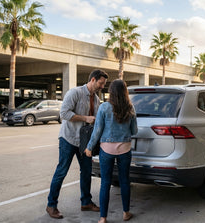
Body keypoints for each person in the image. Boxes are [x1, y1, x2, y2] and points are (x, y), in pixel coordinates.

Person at [46, 69, 109, 219]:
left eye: (103, 84)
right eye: (101, 83)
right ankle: (51, 205)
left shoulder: (97, 100)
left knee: (86, 172)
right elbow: (64, 114)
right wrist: (85, 118)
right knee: (61, 172)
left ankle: (86, 202)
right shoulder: (74, 93)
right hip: (68, 139)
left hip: (85, 143)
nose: (102, 87)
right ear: (93, 80)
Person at [85, 79, 138, 223]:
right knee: (125, 181)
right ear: (125, 92)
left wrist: (89, 147)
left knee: (105, 183)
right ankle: (126, 213)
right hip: (125, 149)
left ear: (111, 92)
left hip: (106, 150)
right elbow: (134, 131)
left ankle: (103, 218)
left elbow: (97, 131)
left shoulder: (104, 107)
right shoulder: (130, 108)